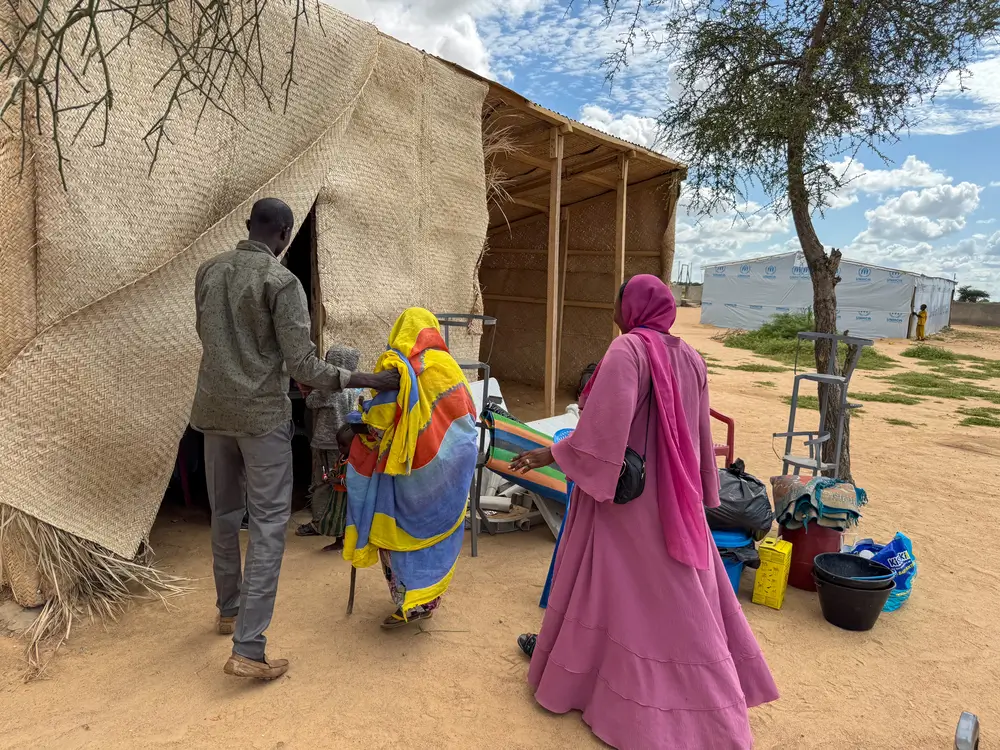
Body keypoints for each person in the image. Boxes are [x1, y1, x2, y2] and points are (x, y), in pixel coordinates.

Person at [510, 275, 778, 750]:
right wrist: (701, 490)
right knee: (672, 590)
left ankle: (626, 692)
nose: (612, 307)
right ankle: (687, 694)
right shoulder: (691, 357)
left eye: (617, 299)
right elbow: (700, 437)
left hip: (625, 502)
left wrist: (550, 453)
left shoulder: (627, 350)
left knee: (615, 588)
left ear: (630, 307)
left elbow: (601, 433)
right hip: (674, 498)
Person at [191, 197, 399, 680]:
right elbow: (303, 363)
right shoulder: (281, 281)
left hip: (213, 413)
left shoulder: (208, 271)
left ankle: (228, 610)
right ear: (285, 234)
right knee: (267, 525)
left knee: (225, 515)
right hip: (261, 418)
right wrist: (368, 379)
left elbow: (215, 341)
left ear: (249, 225)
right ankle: (249, 647)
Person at [342, 308, 478, 628]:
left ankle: (412, 601)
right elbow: (466, 416)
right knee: (438, 534)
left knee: (400, 532)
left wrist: (361, 416)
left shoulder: (401, 369)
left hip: (412, 474)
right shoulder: (450, 367)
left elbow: (379, 422)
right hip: (455, 467)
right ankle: (427, 598)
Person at [297, 344, 365, 548]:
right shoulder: (354, 389)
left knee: (321, 483)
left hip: (324, 444)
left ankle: (320, 523)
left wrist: (313, 389)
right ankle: (343, 525)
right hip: (346, 445)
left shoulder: (327, 390)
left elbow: (310, 403)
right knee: (341, 484)